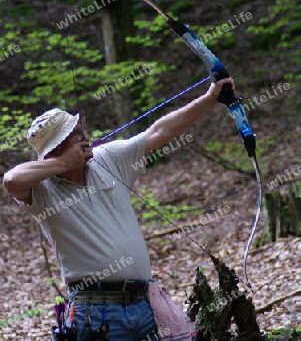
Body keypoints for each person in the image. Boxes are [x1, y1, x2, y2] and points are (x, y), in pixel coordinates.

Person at [3, 77, 234, 341]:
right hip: (94, 312)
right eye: (77, 134)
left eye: (82, 130)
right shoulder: (42, 190)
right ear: (57, 148)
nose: (86, 137)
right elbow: (11, 180)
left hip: (141, 303)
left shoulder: (108, 158)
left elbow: (158, 132)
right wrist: (62, 164)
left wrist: (211, 98)